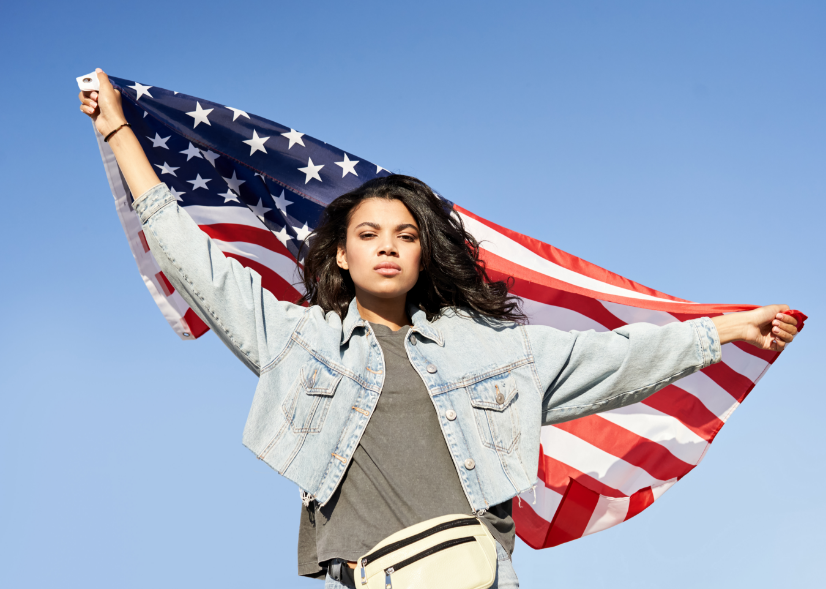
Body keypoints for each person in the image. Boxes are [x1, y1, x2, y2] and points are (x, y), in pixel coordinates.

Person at [78, 69, 800, 588]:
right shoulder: (296, 340)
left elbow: (615, 357)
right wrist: (116, 130)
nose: (387, 245)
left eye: (403, 234)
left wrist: (725, 329)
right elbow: (199, 263)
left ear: (424, 254)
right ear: (341, 252)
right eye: (368, 233)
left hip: (475, 573)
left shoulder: (491, 349)